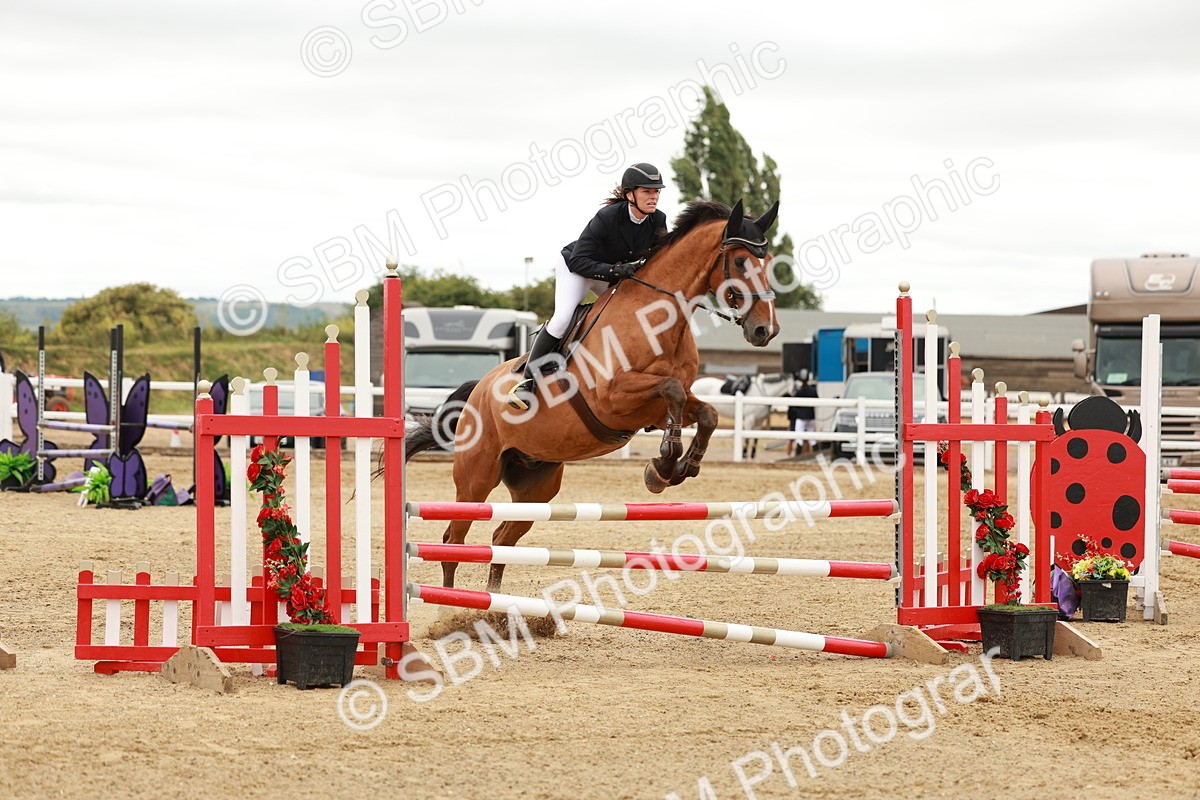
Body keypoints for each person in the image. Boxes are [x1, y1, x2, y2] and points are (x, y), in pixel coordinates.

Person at [507, 162, 669, 410]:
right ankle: (527, 382)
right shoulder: (608, 217)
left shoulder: (658, 220)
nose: (654, 196)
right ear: (630, 195)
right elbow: (580, 259)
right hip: (578, 269)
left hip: (611, 275)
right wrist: (613, 270)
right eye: (647, 191)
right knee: (562, 319)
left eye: (657, 191)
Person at [786, 372, 818, 456]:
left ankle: (797, 456)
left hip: (801, 417)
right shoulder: (812, 391)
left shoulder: (799, 391)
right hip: (811, 416)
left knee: (799, 437)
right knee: (812, 439)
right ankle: (817, 456)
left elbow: (795, 404)